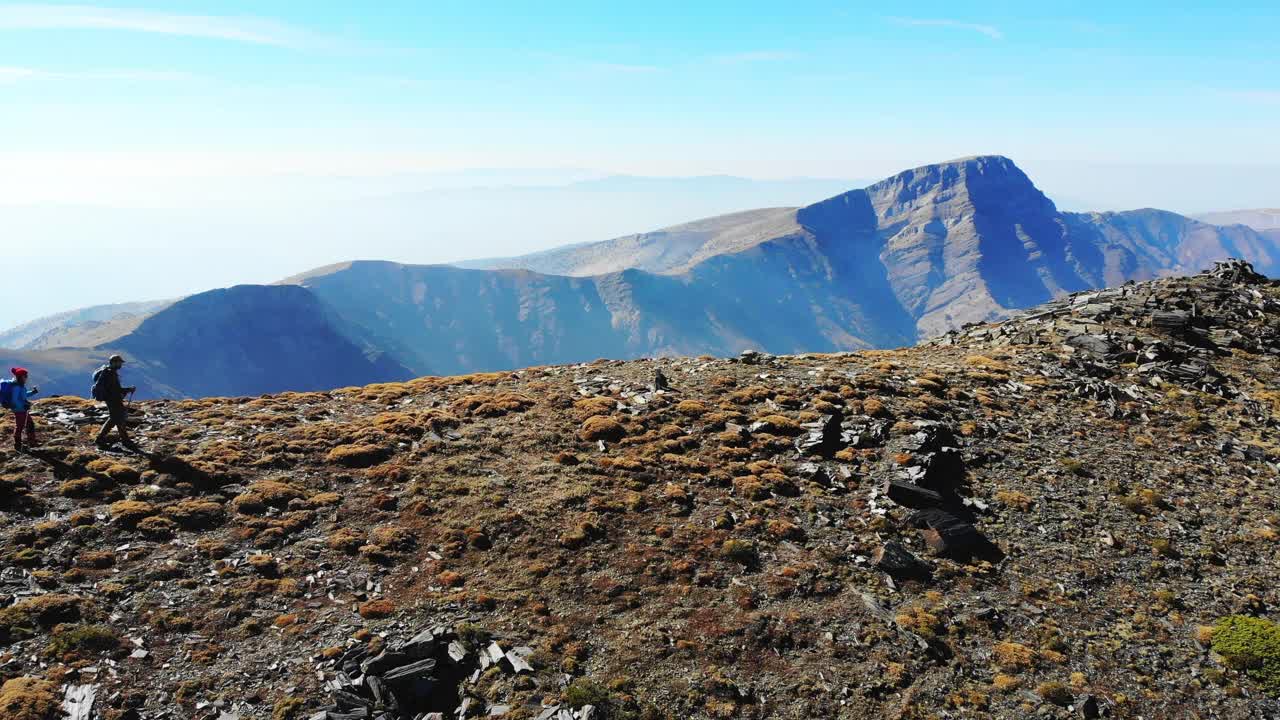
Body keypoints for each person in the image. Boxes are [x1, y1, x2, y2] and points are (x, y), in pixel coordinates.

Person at [93, 354, 137, 448]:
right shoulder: (111, 374)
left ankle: (100, 439)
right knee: (119, 419)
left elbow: (114, 389)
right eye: (119, 362)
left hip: (110, 399)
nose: (121, 364)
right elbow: (116, 389)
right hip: (114, 400)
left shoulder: (108, 372)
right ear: (114, 362)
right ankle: (125, 441)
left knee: (113, 419)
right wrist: (129, 389)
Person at [4, 367, 38, 451]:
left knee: (29, 424)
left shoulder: (20, 386)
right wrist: (23, 406)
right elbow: (14, 400)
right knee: (20, 426)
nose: (26, 377)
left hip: (23, 409)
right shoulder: (16, 387)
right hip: (19, 410)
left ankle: (31, 442)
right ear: (20, 377)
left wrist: (32, 392)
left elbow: (23, 395)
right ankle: (18, 444)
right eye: (25, 376)